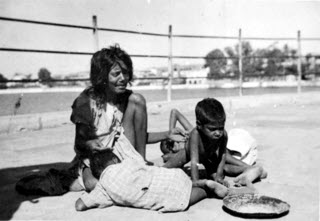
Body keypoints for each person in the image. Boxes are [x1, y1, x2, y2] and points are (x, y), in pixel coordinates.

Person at [16, 45, 185, 196]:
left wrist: (167, 134)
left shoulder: (127, 99)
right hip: (97, 157)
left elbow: (135, 136)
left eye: (126, 73)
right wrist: (93, 146)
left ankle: (140, 165)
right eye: (116, 74)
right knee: (93, 185)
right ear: (103, 76)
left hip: (126, 154)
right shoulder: (86, 103)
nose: (123, 78)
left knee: (138, 99)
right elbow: (80, 145)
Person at [75, 149, 229, 212]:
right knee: (182, 182)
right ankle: (205, 183)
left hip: (165, 197)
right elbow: (145, 167)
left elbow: (80, 205)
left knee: (189, 196)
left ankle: (206, 189)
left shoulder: (103, 187)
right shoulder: (127, 164)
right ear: (115, 160)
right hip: (171, 176)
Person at [160, 99, 267, 187]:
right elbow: (194, 161)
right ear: (199, 125)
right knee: (164, 170)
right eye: (213, 129)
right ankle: (250, 169)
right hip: (190, 155)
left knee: (220, 171)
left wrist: (219, 176)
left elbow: (222, 156)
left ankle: (250, 170)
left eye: (221, 128)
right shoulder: (195, 134)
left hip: (208, 156)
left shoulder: (222, 134)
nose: (218, 133)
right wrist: (195, 180)